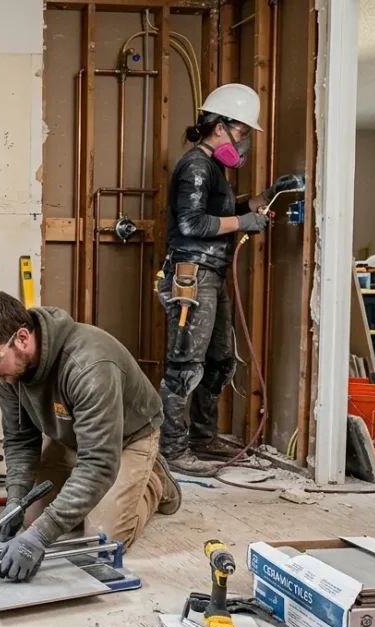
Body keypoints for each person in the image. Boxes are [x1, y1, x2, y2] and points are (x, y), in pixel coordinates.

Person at [0, 291, 182, 581]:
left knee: (102, 541)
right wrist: (15, 499)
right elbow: (21, 439)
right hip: (69, 436)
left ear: (22, 338)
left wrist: (41, 537)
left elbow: (97, 463)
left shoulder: (89, 365)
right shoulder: (5, 372)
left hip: (125, 439)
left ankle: (153, 481)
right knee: (28, 518)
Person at [157, 83, 303, 476]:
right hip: (192, 275)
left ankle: (202, 438)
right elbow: (191, 221)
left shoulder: (213, 169)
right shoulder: (196, 166)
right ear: (218, 126)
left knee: (220, 361)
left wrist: (264, 198)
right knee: (185, 365)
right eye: (241, 132)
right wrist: (243, 222)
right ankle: (172, 449)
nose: (243, 142)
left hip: (211, 274)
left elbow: (221, 208)